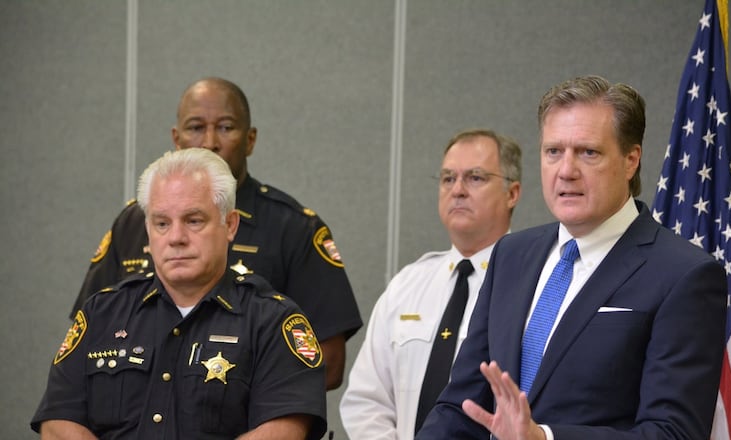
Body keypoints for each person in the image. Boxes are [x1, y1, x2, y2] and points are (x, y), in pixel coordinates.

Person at [416, 75, 728, 439]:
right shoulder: (511, 255)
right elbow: (461, 406)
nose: (566, 171)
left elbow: (673, 433)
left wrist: (544, 438)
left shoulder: (684, 274)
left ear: (631, 160)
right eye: (553, 152)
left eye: (588, 152)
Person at [69, 77, 361, 390]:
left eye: (225, 127)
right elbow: (86, 338)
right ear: (176, 139)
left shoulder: (293, 227)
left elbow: (329, 364)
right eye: (196, 127)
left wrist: (227, 393)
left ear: (250, 140)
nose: (209, 142)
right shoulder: (134, 220)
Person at [32, 148, 326, 439]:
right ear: (148, 229)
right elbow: (57, 423)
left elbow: (284, 431)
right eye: (162, 223)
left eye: (193, 221)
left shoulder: (272, 321)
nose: (176, 238)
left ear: (230, 224)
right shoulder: (101, 313)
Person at [340, 129, 522, 439]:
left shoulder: (532, 285)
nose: (458, 190)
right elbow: (366, 400)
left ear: (512, 193)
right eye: (448, 178)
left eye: (475, 177)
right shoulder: (407, 285)